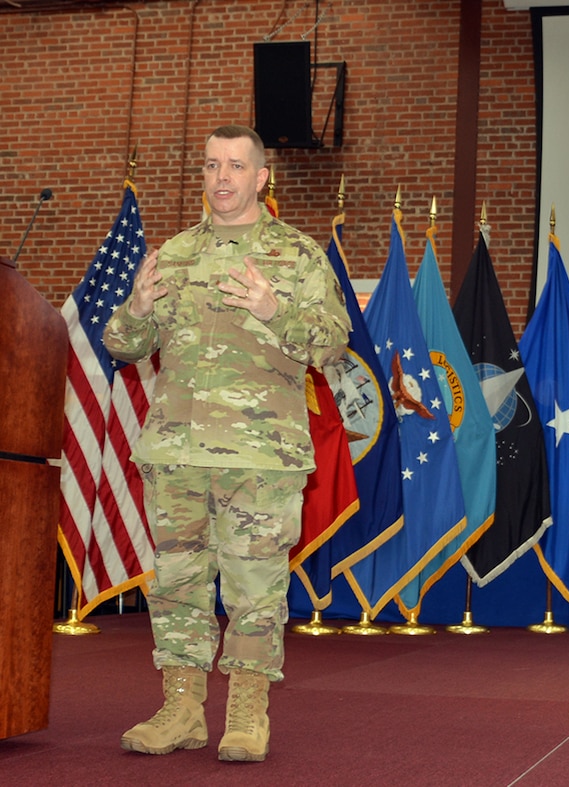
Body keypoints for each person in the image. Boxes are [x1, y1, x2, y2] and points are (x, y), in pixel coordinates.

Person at [105, 125, 349, 762]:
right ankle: (182, 708)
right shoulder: (175, 254)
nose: (222, 178)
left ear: (261, 178)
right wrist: (133, 307)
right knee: (179, 585)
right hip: (177, 452)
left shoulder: (296, 256)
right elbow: (122, 346)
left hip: (259, 458)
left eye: (236, 166)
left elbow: (333, 342)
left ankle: (247, 710)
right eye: (212, 165)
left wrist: (277, 312)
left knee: (254, 588)